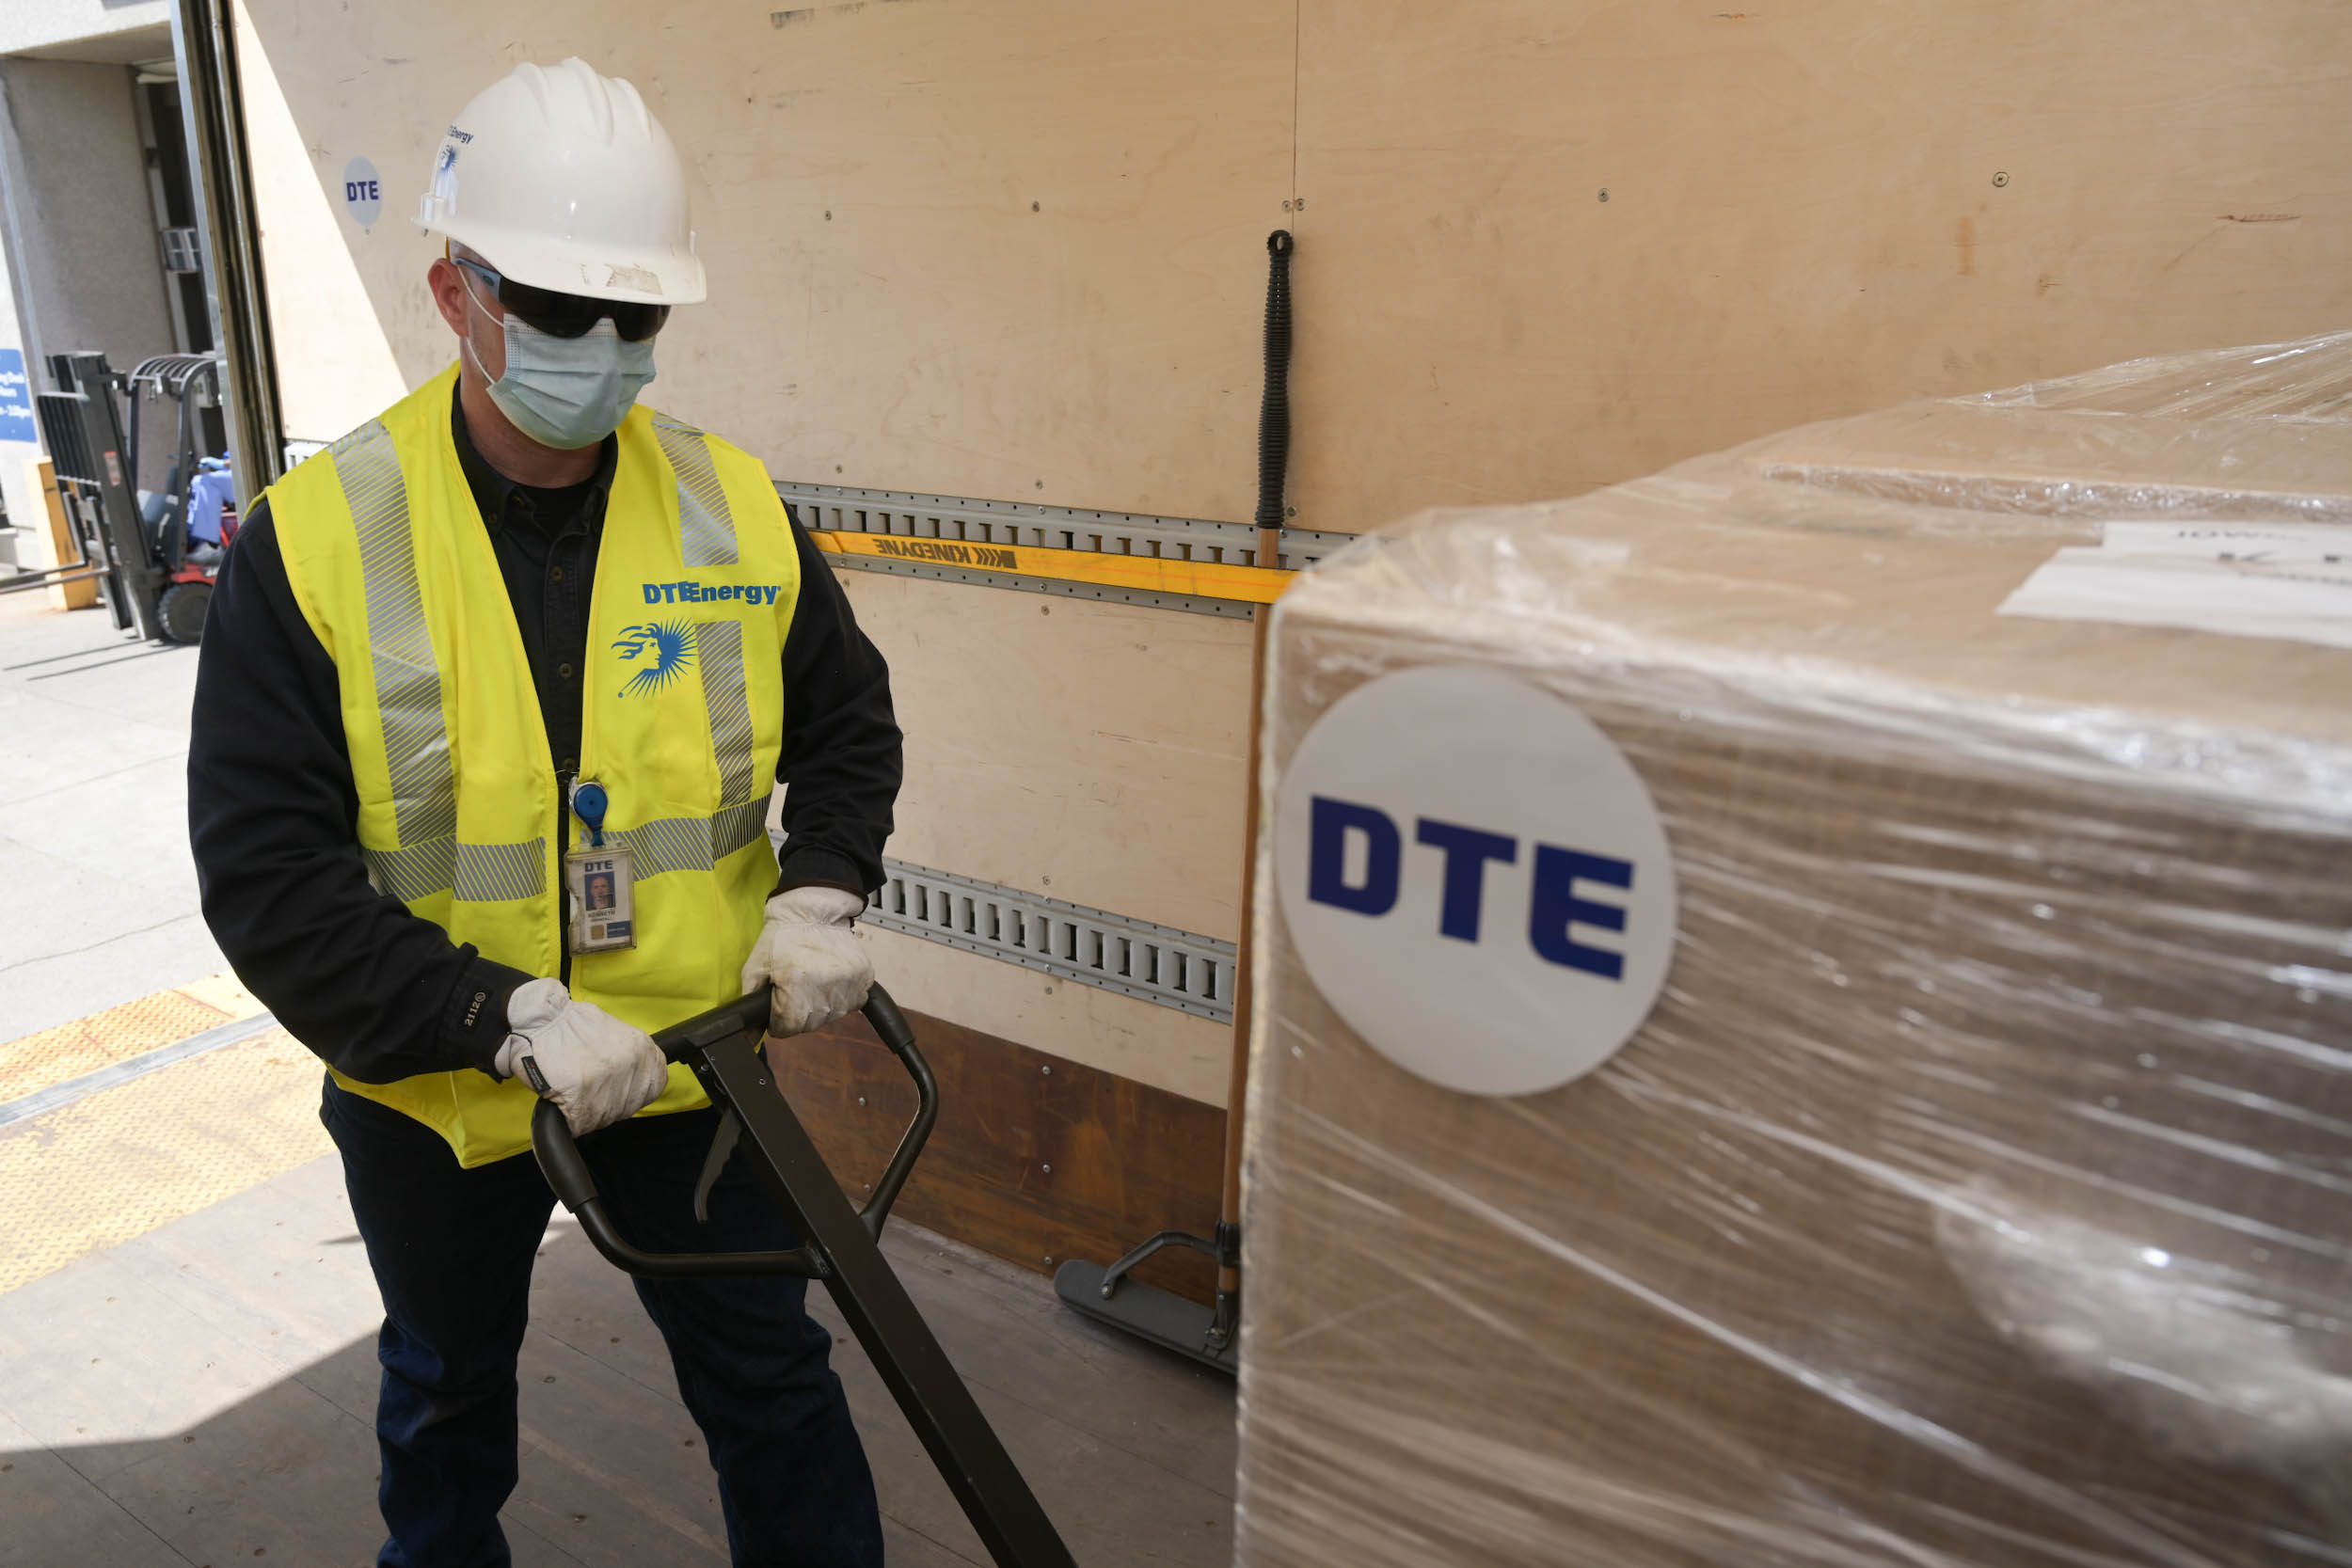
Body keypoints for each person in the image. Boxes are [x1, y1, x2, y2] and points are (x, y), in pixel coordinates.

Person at [187, 57, 900, 1568]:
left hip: (691, 1058)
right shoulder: (314, 545)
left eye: (633, 318)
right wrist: (496, 1013)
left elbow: (848, 724)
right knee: (446, 1397)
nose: (603, 350)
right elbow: (269, 883)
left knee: (775, 1384)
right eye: (562, 311)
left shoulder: (733, 505)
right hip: (441, 1090)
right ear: (457, 294)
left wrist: (824, 885)